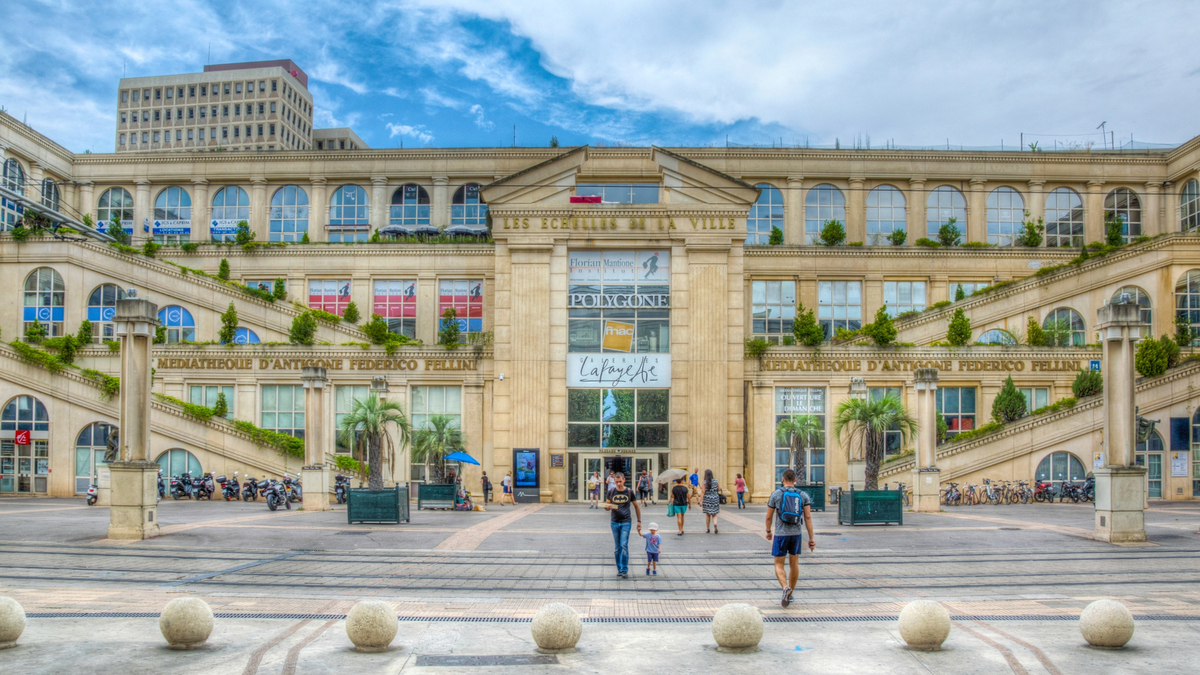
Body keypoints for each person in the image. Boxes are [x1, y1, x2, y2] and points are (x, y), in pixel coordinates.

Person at [765, 469, 815, 608]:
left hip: (781, 535)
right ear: (795, 480)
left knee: (778, 564)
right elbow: (808, 517)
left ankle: (785, 587)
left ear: (782, 479)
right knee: (794, 564)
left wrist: (768, 531)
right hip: (796, 534)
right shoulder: (803, 495)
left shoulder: (776, 494)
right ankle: (791, 593)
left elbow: (769, 516)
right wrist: (811, 538)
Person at [603, 472, 641, 578]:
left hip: (626, 522)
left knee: (624, 545)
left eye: (620, 481)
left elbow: (637, 507)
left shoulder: (629, 492)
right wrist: (608, 507)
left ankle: (624, 569)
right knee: (617, 547)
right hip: (614, 522)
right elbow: (606, 505)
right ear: (614, 481)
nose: (618, 484)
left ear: (624, 480)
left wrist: (639, 521)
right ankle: (619, 568)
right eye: (616, 482)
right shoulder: (611, 491)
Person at [701, 469, 721, 533]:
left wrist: (701, 501)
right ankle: (715, 524)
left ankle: (708, 529)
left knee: (708, 514)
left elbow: (703, 492)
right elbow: (719, 489)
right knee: (714, 514)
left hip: (707, 499)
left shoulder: (704, 482)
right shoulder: (716, 481)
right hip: (715, 498)